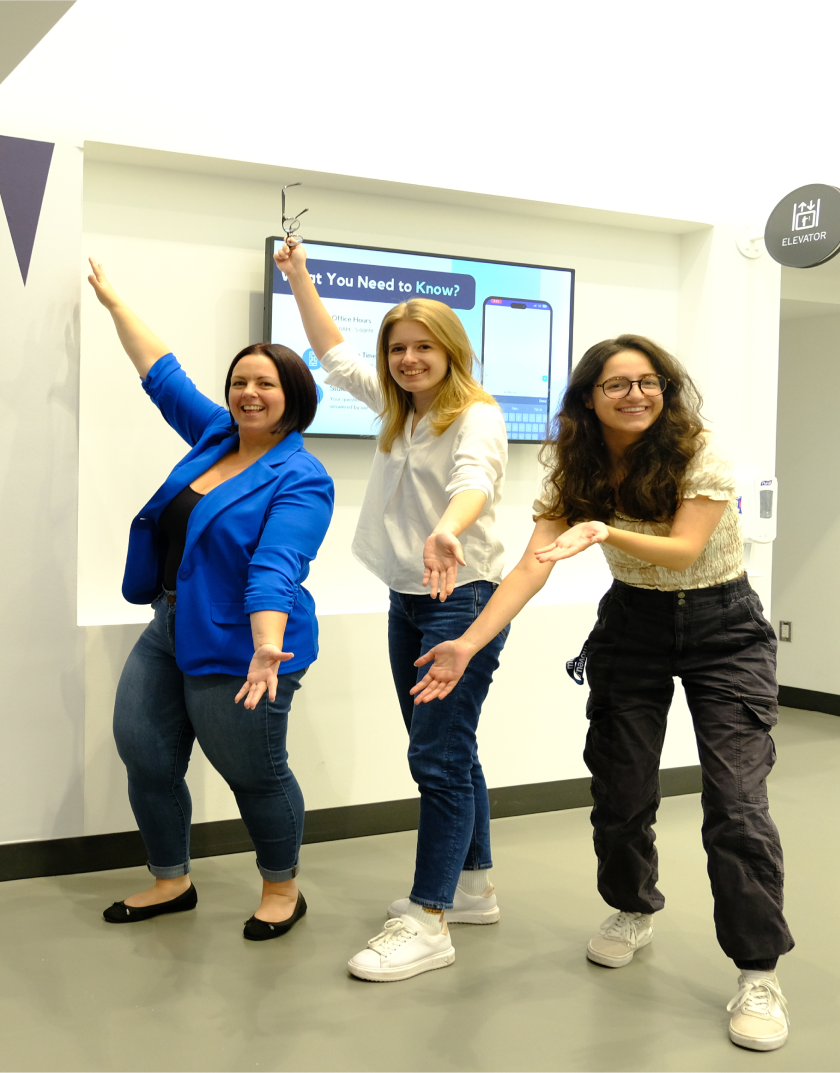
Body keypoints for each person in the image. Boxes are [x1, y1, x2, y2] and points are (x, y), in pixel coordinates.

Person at [412, 335, 792, 1051]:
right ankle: (630, 908)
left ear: (666, 388)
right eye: (617, 384)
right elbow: (532, 564)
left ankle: (758, 970)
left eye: (648, 381)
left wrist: (604, 528)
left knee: (737, 803)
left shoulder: (697, 450)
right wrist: (470, 641)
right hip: (633, 626)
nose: (636, 394)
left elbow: (683, 548)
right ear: (590, 397)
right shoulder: (576, 463)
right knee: (620, 789)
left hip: (724, 627)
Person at [274, 238, 510, 982]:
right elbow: (334, 351)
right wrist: (300, 278)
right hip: (408, 594)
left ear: (450, 350)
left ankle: (429, 916)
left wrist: (451, 525)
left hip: (462, 593)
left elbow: (475, 479)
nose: (409, 358)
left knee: (435, 755)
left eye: (422, 347)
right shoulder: (400, 408)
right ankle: (473, 885)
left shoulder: (476, 415)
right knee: (448, 745)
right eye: (399, 348)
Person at [86, 257, 334, 940]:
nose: (249, 392)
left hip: (243, 640)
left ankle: (282, 888)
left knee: (253, 772)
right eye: (240, 381)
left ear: (295, 394)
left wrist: (264, 646)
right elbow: (162, 374)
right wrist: (113, 302)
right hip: (171, 621)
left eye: (266, 382)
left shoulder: (302, 478)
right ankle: (172, 878)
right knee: (143, 747)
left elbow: (274, 569)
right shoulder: (214, 435)